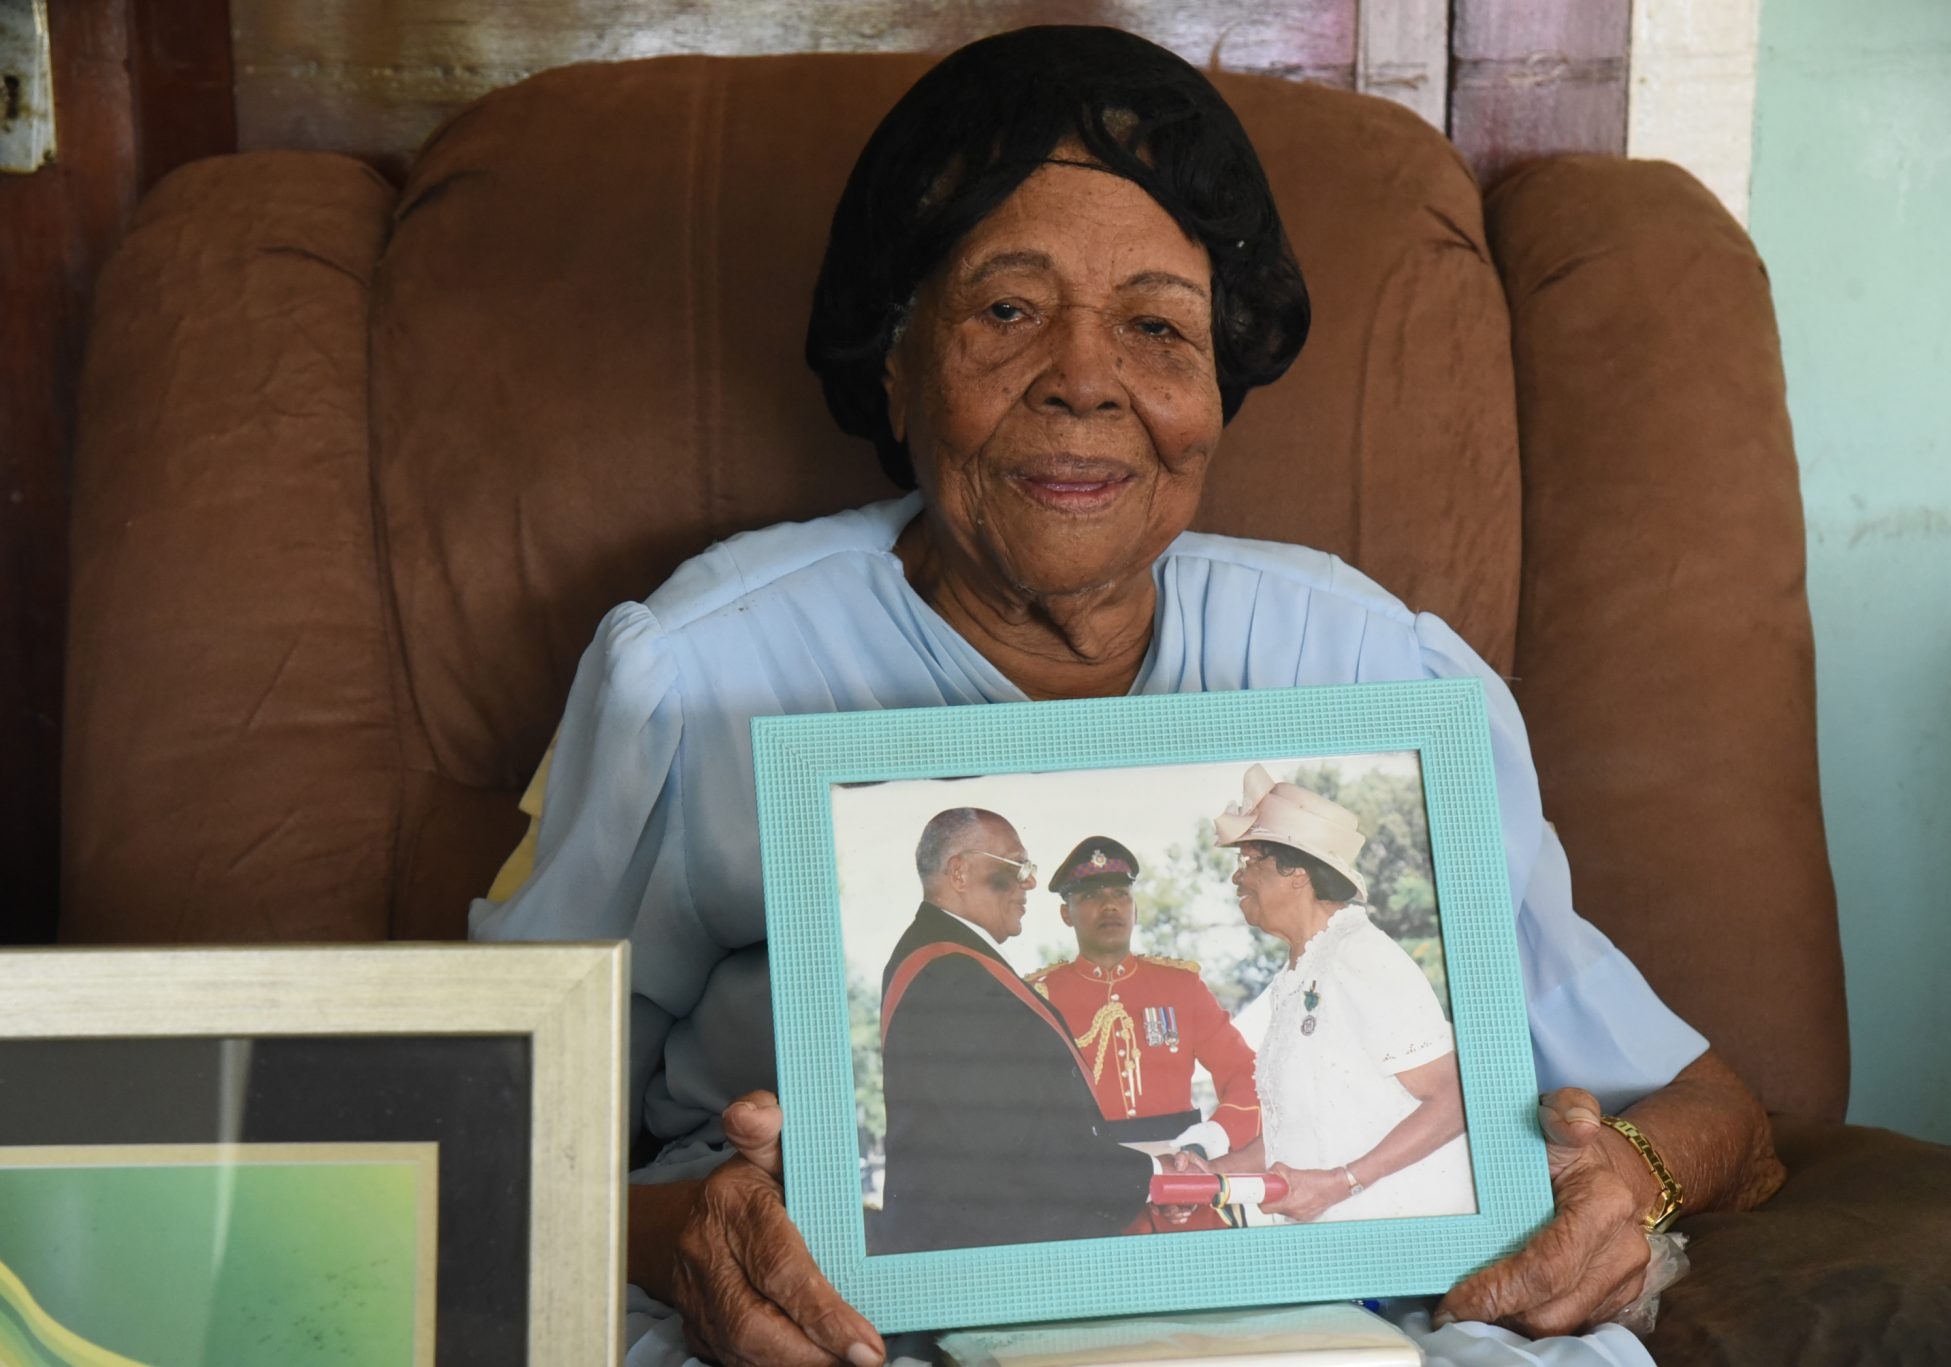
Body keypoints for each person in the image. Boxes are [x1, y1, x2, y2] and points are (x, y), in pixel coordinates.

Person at [470, 24, 1786, 1367]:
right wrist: (697, 1226)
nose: (1087, 378)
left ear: (1218, 385)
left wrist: (1626, 1179)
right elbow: (487, 1140)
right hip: (842, 1323)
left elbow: (1707, 1104)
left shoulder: (1377, 674)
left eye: (1157, 326)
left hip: (1332, 1322)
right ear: (893, 354)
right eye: (1007, 311)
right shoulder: (695, 677)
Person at [873, 810, 1155, 1253]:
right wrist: (1154, 1175)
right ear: (960, 872)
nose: (1029, 883)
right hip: (986, 1259)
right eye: (1017, 865)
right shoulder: (949, 974)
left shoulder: (952, 963)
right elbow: (1017, 1141)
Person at [1210, 765, 1475, 1223]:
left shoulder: (1359, 953)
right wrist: (1212, 1174)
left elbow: (1456, 1097)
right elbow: (1293, 1132)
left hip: (1394, 1232)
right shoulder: (1298, 975)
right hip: (1326, 1239)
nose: (1238, 878)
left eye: (1250, 862)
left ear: (1297, 873)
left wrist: (1342, 1182)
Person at [1027, 835, 1261, 1233]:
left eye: (1121, 894)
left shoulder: (1180, 987)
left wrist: (1207, 1143)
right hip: (1090, 1198)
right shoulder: (1040, 998)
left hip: (1185, 1186)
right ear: (1066, 914)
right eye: (1090, 896)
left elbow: (1247, 1076)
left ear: (1135, 909)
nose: (1109, 906)